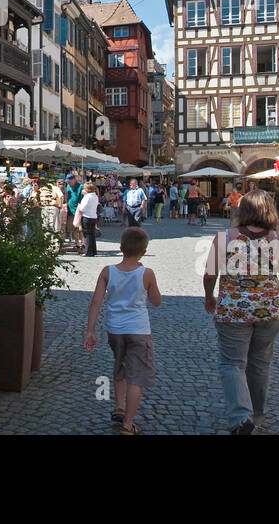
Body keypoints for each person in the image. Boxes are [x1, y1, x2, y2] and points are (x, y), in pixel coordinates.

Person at [203, 189, 279, 435]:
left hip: (233, 310)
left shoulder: (225, 237)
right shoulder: (277, 237)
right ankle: (257, 415)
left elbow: (210, 274)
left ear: (243, 210)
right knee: (260, 363)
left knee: (232, 363)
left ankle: (241, 418)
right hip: (270, 310)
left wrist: (209, 297)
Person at [83, 227, 161, 435]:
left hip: (114, 330)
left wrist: (90, 330)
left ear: (120, 248)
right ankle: (128, 424)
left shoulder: (108, 271)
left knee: (120, 366)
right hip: (138, 330)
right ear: (143, 251)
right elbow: (156, 301)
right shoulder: (146, 273)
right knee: (137, 377)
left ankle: (119, 406)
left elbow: (96, 302)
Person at [74, 181, 101, 256]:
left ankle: (88, 251)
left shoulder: (87, 197)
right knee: (92, 234)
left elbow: (82, 208)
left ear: (87, 189)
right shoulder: (95, 196)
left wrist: (79, 206)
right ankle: (93, 250)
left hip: (86, 216)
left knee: (87, 235)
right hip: (93, 216)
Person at [66, 174, 85, 251]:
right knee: (74, 229)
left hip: (78, 211)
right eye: (68, 181)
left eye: (70, 181)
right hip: (70, 210)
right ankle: (76, 244)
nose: (68, 183)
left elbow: (82, 200)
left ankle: (83, 244)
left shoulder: (80, 187)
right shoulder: (68, 186)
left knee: (80, 229)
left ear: (74, 179)